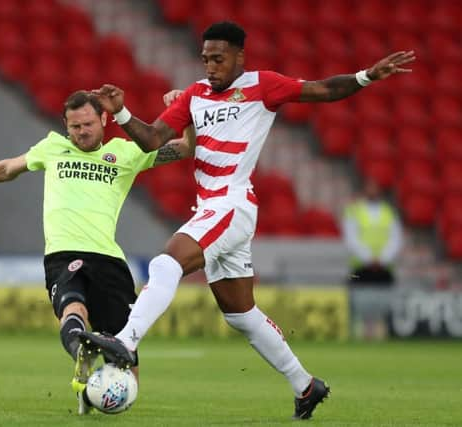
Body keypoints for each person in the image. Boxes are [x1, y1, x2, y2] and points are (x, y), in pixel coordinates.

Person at [78, 21, 415, 420]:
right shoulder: (193, 95)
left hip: (231, 203)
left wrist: (365, 76)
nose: (211, 67)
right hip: (214, 208)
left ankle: (126, 340)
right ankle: (306, 386)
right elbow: (152, 139)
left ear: (240, 57)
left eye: (219, 59)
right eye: (205, 59)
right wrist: (123, 112)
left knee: (167, 261)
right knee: (241, 314)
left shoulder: (263, 85)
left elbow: (323, 90)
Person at [0, 90, 194, 415]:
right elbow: (7, 169)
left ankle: (89, 390)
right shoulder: (53, 147)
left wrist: (187, 113)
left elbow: (185, 148)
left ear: (103, 119)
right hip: (62, 253)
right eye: (74, 126)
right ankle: (82, 350)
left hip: (110, 261)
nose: (81, 132)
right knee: (73, 308)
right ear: (65, 126)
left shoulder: (126, 153)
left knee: (127, 371)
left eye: (87, 124)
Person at [343, 177, 403, 286]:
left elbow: (395, 239)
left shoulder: (389, 212)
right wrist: (369, 259)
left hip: (384, 268)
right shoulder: (353, 211)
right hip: (359, 268)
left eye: (375, 187)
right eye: (369, 187)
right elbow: (351, 239)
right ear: (364, 189)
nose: (372, 190)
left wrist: (382, 259)